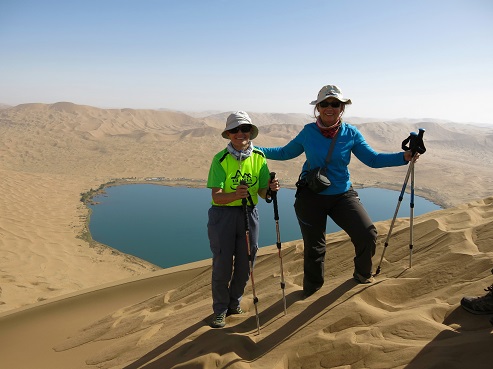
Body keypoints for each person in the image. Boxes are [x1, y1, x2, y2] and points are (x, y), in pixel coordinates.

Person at [257, 84, 417, 297]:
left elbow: (372, 159)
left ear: (342, 108)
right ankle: (311, 292)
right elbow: (285, 152)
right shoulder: (308, 132)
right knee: (315, 248)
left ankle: (362, 276)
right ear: (318, 108)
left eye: (335, 104)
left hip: (342, 195)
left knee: (367, 233)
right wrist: (254, 148)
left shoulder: (350, 133)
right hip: (311, 195)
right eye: (325, 103)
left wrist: (402, 157)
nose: (329, 107)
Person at [207, 111, 280, 328]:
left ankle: (234, 303)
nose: (240, 134)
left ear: (251, 132)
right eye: (234, 130)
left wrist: (271, 190)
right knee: (222, 264)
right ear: (228, 134)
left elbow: (262, 192)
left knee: (246, 262)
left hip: (249, 214)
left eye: (244, 129)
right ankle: (220, 310)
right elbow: (216, 197)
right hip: (223, 216)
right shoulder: (220, 159)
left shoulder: (259, 157)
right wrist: (234, 196)